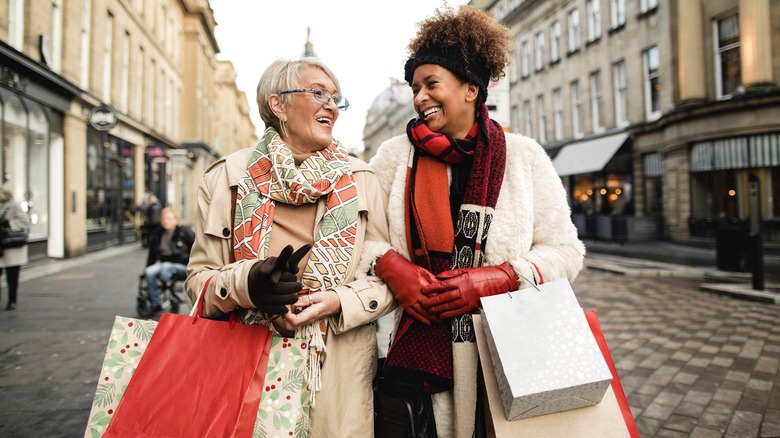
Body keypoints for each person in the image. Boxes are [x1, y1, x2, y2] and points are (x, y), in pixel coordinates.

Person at [368, 6, 586, 437]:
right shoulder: (394, 158)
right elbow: (362, 237)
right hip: (414, 361)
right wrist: (391, 266)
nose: (419, 98)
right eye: (415, 87)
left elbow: (566, 250)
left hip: (505, 355)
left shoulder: (524, 157)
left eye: (431, 84)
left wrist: (502, 277)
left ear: (471, 89)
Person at [185, 57, 395, 436]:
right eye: (318, 93)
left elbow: (388, 278)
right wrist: (248, 285)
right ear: (277, 105)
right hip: (246, 371)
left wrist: (337, 302)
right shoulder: (225, 178)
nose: (331, 104)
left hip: (337, 383)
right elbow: (197, 281)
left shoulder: (363, 180)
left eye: (336, 98)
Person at [144, 207, 195, 313]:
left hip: (182, 264)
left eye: (168, 218)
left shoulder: (185, 232)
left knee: (165, 268)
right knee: (149, 272)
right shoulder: (158, 233)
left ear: (175, 220)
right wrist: (147, 266)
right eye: (163, 219)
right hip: (164, 263)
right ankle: (155, 302)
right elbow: (152, 254)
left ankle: (171, 294)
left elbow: (196, 249)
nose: (165, 221)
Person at [0, 186, 31, 311]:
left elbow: (25, 221)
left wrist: (9, 224)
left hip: (10, 245)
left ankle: (12, 300)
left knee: (12, 276)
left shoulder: (13, 205)